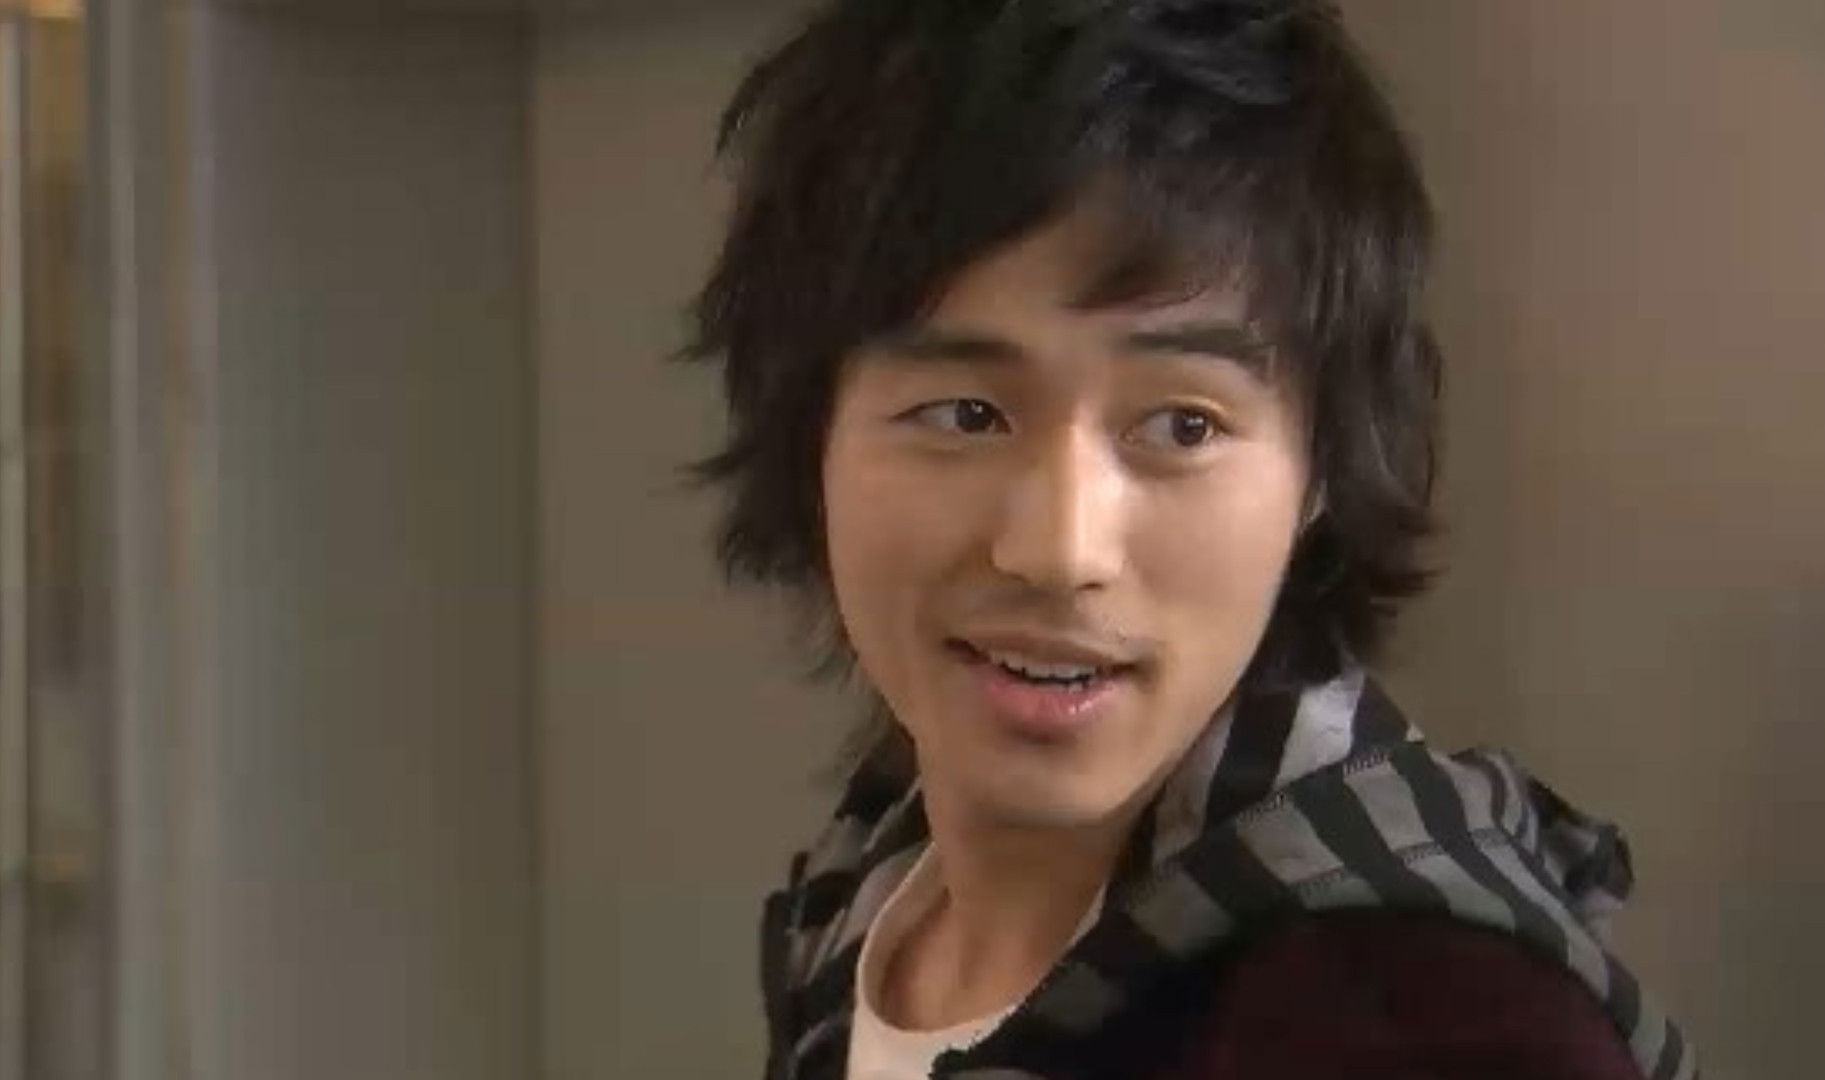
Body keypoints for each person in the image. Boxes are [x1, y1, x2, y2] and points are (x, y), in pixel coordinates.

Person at [683, 2, 1696, 1078]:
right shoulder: (869, 889)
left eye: (1182, 426)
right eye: (967, 415)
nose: (1062, 550)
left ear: (1320, 471)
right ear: (813, 433)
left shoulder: (1432, 1025)